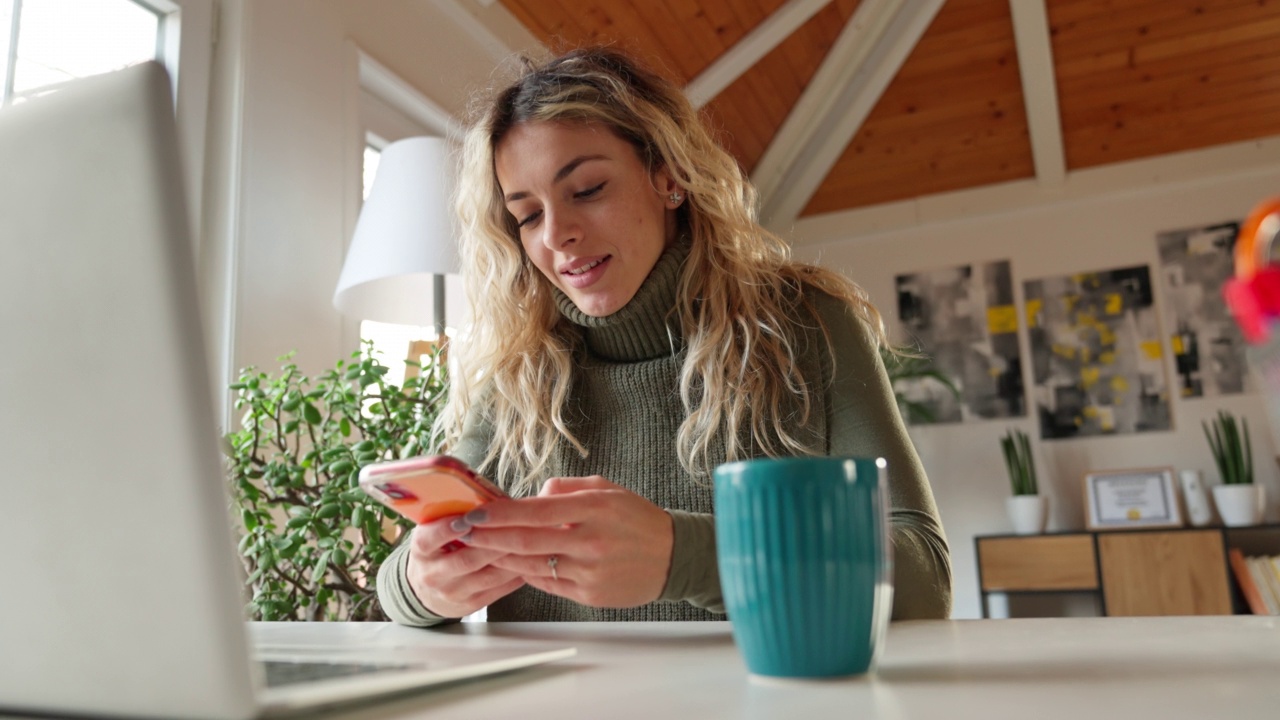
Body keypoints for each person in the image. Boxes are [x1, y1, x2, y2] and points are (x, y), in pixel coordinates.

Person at [377, 47, 952, 625]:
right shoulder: (520, 375)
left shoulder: (807, 323)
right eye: (527, 216)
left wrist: (685, 558)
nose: (557, 235)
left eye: (587, 189)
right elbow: (400, 582)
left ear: (668, 175)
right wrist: (423, 587)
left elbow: (924, 576)